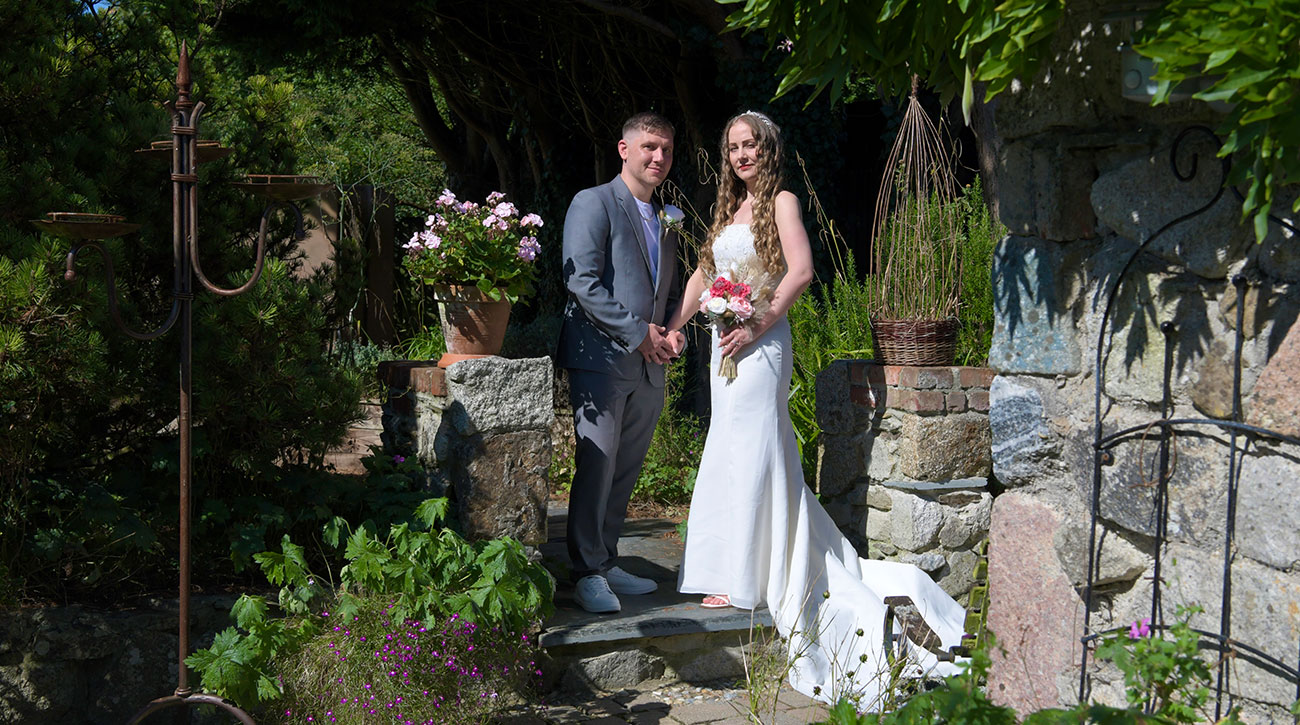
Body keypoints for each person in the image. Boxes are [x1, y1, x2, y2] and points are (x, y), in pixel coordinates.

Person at [667, 111, 967, 708]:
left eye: (751, 145)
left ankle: (751, 576)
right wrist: (675, 326)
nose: (741, 155)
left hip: (760, 345)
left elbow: (800, 272)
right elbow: (704, 274)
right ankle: (728, 567)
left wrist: (755, 324)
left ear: (768, 148)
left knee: (757, 450)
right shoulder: (728, 210)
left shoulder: (782, 202)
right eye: (733, 147)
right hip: (723, 347)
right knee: (727, 449)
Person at [558, 111, 686, 614]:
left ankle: (606, 559)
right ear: (624, 149)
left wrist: (672, 331)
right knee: (597, 463)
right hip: (601, 358)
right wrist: (638, 333)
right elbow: (581, 281)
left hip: (650, 364)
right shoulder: (593, 202)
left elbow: (668, 290)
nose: (659, 157)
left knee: (626, 467)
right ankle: (586, 572)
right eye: (650, 146)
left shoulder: (669, 218)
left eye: (667, 149)